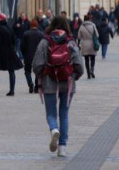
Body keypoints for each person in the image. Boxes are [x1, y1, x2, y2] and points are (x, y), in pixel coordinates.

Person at [32, 16, 84, 158]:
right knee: (64, 114)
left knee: (51, 114)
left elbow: (36, 65)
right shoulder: (70, 42)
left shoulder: (45, 41)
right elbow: (79, 65)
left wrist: (42, 75)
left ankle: (54, 129)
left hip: (49, 82)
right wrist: (74, 76)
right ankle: (62, 147)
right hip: (68, 83)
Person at [0, 13, 23, 96]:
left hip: (2, 52)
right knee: (11, 71)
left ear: (0, 19)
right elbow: (14, 40)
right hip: (11, 52)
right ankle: (12, 90)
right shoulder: (9, 28)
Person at [22, 18, 45, 93]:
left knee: (27, 70)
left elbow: (22, 46)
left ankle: (30, 83)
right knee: (38, 71)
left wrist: (24, 54)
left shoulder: (26, 34)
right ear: (37, 25)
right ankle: (36, 86)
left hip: (28, 55)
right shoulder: (41, 34)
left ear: (30, 25)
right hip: (38, 55)